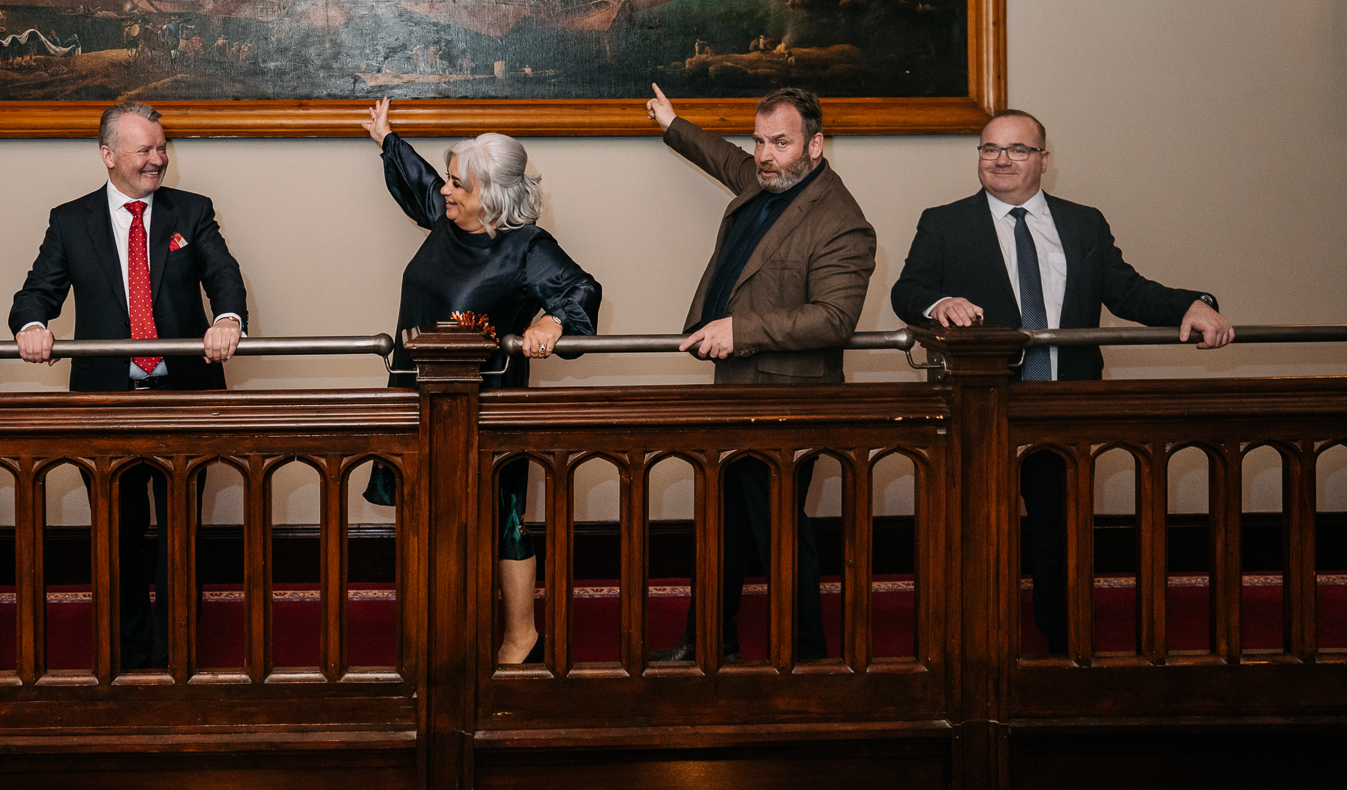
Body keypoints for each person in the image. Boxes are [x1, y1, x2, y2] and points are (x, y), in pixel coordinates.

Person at [889, 108, 1234, 654]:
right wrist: (939, 302)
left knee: (1061, 536)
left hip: (1064, 403)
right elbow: (907, 290)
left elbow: (1127, 291)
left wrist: (1191, 304)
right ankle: (974, 644)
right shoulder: (945, 222)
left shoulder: (1083, 223)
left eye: (1017, 149)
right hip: (983, 408)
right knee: (979, 536)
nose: (1001, 160)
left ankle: (1063, 646)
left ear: (1043, 160)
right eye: (989, 149)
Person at [362, 98, 602, 665]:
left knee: (504, 521)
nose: (447, 192)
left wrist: (552, 319)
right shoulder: (446, 218)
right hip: (416, 396)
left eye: (460, 186)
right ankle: (436, 626)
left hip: (488, 410)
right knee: (424, 514)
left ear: (491, 199)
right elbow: (421, 184)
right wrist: (387, 140)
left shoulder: (526, 247)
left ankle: (521, 635)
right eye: (449, 181)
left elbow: (582, 288)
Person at [9, 101, 248, 670]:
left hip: (183, 400)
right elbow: (37, 291)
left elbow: (223, 274)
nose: (157, 160)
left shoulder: (191, 212)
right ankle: (123, 658)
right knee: (117, 540)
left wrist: (228, 319)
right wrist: (33, 326)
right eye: (145, 149)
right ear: (108, 155)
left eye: (161, 148)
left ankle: (175, 658)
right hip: (105, 405)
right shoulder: (71, 220)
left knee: (178, 541)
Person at [644, 84, 876, 663]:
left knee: (778, 535)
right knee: (724, 525)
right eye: (759, 141)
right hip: (736, 394)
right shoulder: (765, 179)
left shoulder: (843, 222)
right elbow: (722, 158)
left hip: (789, 403)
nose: (765, 154)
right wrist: (674, 123)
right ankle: (709, 640)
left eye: (780, 142)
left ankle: (806, 655)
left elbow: (834, 318)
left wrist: (738, 331)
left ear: (815, 146)